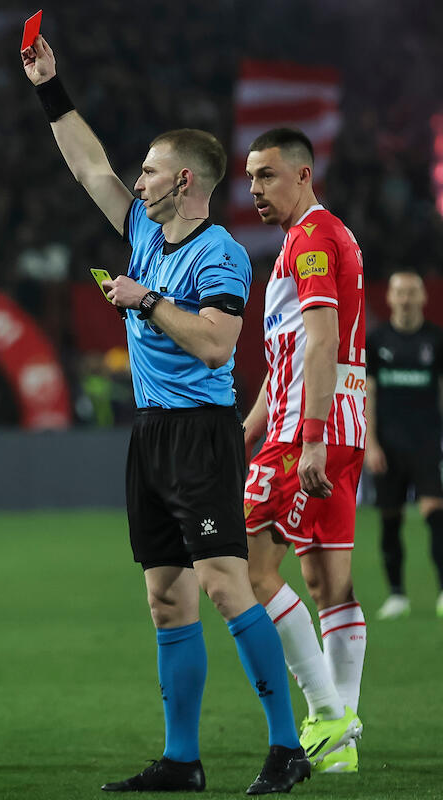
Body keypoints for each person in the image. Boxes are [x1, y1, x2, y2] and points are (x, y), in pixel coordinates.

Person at [21, 35, 308, 794]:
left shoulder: (220, 255)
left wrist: (145, 299)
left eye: (148, 170)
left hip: (202, 433)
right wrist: (51, 88)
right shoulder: (145, 230)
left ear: (183, 181)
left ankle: (287, 747)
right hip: (150, 433)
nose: (136, 180)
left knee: (226, 584)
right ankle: (183, 760)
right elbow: (90, 167)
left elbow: (215, 346)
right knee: (166, 598)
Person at [240, 128, 367, 775]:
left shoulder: (313, 240)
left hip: (307, 430)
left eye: (266, 175)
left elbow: (320, 341)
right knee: (328, 584)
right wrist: (246, 429)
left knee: (248, 568)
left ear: (303, 174)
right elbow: (289, 355)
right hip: (339, 421)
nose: (255, 189)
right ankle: (340, 747)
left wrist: (309, 436)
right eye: (251, 177)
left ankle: (326, 711)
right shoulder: (317, 237)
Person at [364, 271, 443, 619]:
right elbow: (368, 394)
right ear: (390, 298)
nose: (406, 299)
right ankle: (397, 595)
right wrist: (371, 444)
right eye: (400, 292)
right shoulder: (376, 340)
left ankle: (442, 591)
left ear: (423, 297)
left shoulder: (436, 340)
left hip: (426, 442)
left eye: (412, 292)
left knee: (435, 513)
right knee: (390, 518)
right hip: (388, 446)